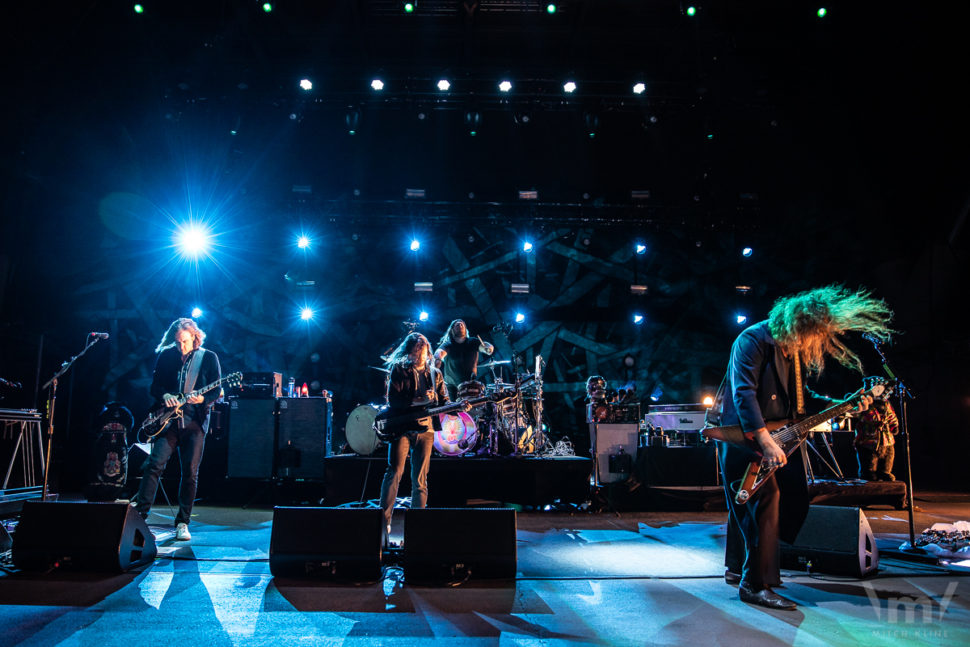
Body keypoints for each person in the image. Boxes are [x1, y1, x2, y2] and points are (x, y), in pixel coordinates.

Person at [712, 285, 893, 610]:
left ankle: (736, 567)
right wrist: (764, 440)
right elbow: (744, 394)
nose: (809, 343)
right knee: (764, 501)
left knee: (761, 501)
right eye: (808, 334)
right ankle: (756, 585)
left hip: (776, 437)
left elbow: (801, 400)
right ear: (795, 322)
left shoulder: (789, 352)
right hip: (743, 436)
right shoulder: (752, 340)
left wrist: (844, 406)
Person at [132, 318, 221, 541]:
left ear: (194, 337)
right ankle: (139, 517)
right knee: (154, 465)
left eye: (185, 341)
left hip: (194, 423)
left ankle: (183, 522)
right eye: (177, 342)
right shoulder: (167, 355)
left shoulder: (208, 358)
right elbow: (155, 386)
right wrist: (166, 395)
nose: (181, 347)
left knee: (190, 473)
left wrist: (203, 399)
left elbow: (217, 389)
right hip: (169, 422)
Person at [379, 332, 449, 546]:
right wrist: (419, 400)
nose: (420, 354)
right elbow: (393, 402)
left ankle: (418, 528)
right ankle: (382, 526)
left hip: (426, 430)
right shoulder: (399, 370)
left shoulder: (435, 373)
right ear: (409, 351)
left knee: (420, 480)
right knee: (394, 473)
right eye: (416, 350)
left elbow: (444, 400)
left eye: (423, 350)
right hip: (402, 429)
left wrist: (455, 406)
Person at [433, 319, 494, 400]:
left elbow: (485, 346)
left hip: (469, 384)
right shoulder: (448, 344)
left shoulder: (473, 342)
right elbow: (439, 352)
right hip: (451, 386)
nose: (460, 326)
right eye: (457, 325)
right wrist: (437, 358)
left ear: (466, 329)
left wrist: (489, 348)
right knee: (452, 409)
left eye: (462, 325)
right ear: (452, 330)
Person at [854, 396, 899, 481]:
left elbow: (891, 415)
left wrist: (894, 425)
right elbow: (861, 416)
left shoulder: (886, 403)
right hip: (869, 439)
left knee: (888, 456)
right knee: (869, 458)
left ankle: (885, 472)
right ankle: (868, 472)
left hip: (886, 438)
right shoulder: (865, 403)